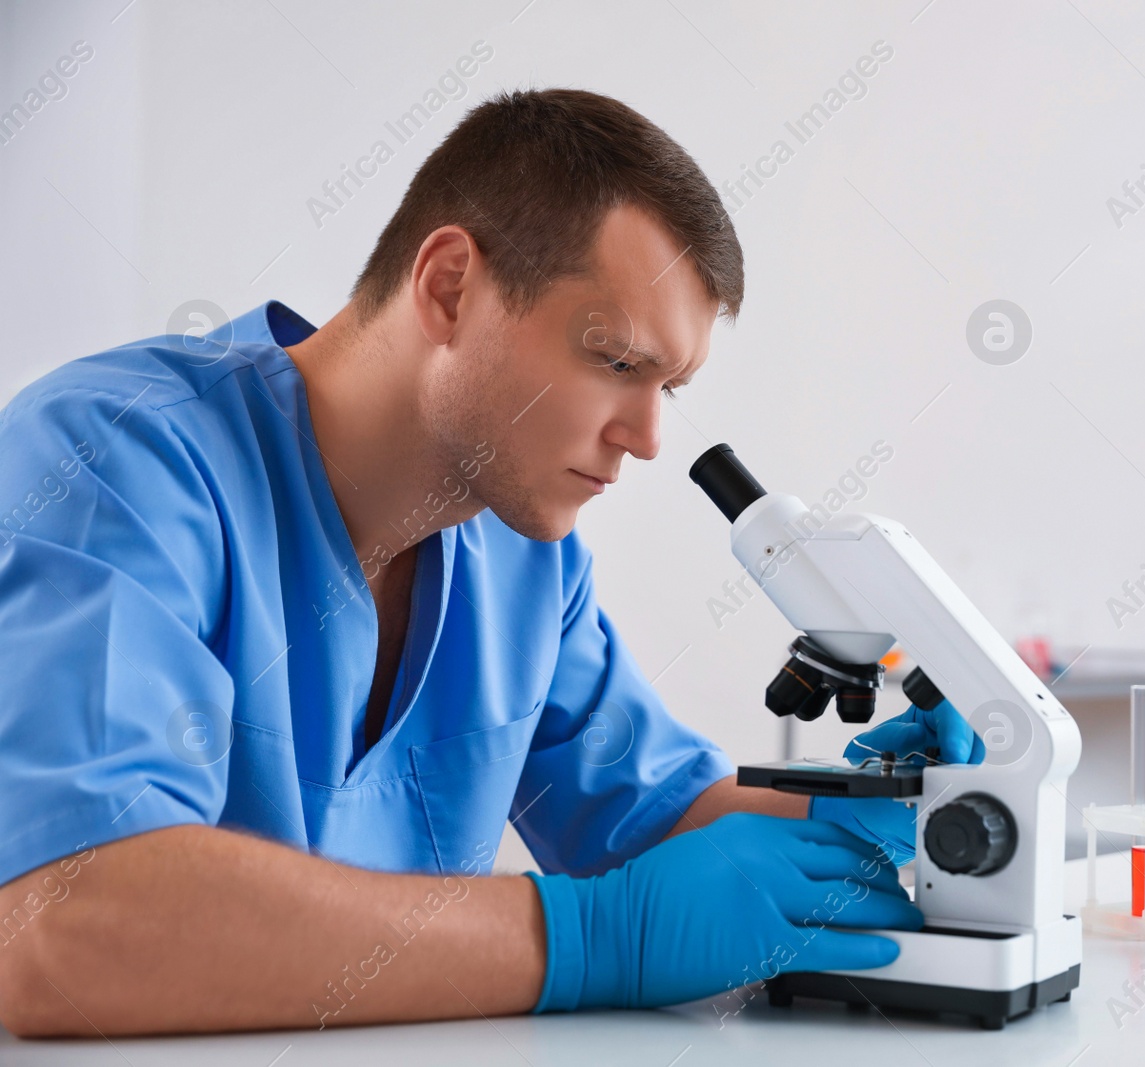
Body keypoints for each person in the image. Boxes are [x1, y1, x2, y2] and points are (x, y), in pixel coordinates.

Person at [0, 88, 981, 1037]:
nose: (644, 438)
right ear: (449, 285)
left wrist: (916, 802)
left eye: (668, 388)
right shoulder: (113, 464)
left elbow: (664, 823)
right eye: (616, 360)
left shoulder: (520, 557)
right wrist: (588, 938)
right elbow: (64, 925)